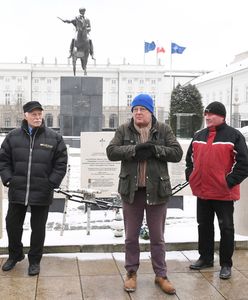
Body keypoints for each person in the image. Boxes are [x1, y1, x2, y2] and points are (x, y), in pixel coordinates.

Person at [106, 94, 183, 294]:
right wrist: (134, 149)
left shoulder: (163, 129)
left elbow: (176, 153)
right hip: (132, 192)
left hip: (157, 191)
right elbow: (111, 151)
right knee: (131, 237)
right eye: (135, 109)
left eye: (142, 109)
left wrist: (155, 150)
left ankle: (161, 275)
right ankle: (131, 273)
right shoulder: (124, 129)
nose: (138, 113)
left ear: (151, 111)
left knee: (157, 237)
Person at [0, 101, 68, 276]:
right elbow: (3, 160)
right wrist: (8, 179)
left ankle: (35, 260)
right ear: (25, 115)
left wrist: (51, 182)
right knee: (12, 225)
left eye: (40, 114)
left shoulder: (54, 137)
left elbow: (61, 163)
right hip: (18, 189)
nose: (38, 117)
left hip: (42, 191)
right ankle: (15, 255)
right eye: (33, 114)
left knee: (38, 228)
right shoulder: (13, 137)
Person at [185, 101, 248, 279]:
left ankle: (226, 264)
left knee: (226, 228)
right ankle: (205, 258)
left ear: (222, 116)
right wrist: (191, 176)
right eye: (206, 114)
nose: (207, 117)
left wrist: (228, 182)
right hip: (203, 191)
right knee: (204, 225)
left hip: (224, 194)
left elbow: (244, 164)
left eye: (211, 114)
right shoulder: (198, 135)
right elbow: (189, 159)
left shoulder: (234, 136)